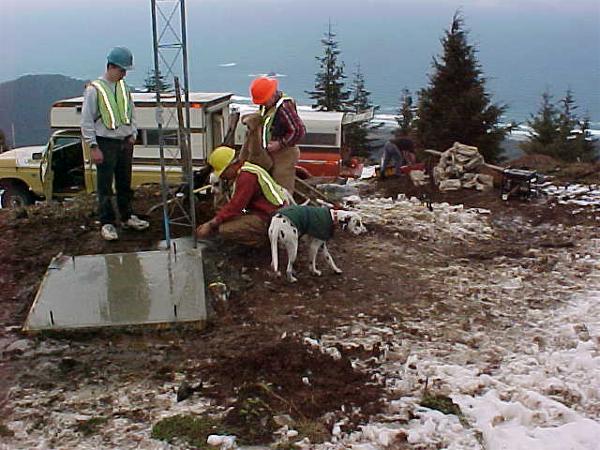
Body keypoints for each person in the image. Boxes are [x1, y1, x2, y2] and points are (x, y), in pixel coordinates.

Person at [81, 46, 149, 241]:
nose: (124, 74)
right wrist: (93, 146)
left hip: (124, 141)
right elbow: (86, 121)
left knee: (124, 182)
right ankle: (107, 222)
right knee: (104, 186)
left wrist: (133, 133)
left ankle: (127, 217)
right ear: (110, 67)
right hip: (105, 142)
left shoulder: (123, 87)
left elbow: (131, 111)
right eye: (121, 70)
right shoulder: (95, 90)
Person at [196, 146, 287, 247]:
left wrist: (210, 224)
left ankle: (264, 243)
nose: (222, 177)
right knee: (226, 219)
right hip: (266, 212)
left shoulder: (246, 177)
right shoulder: (246, 169)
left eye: (223, 173)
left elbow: (236, 207)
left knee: (225, 229)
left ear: (231, 166)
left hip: (270, 217)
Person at [249, 76, 305, 194]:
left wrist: (280, 144)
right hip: (270, 153)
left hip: (285, 153)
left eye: (264, 100)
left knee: (282, 186)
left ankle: (284, 210)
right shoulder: (269, 106)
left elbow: (298, 130)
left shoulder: (284, 107)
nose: (263, 104)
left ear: (271, 95)